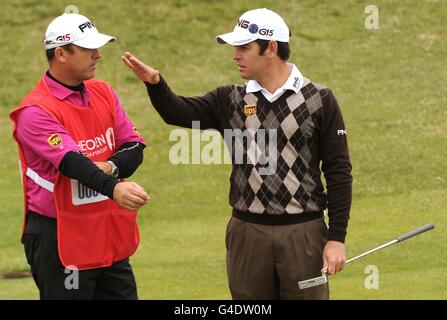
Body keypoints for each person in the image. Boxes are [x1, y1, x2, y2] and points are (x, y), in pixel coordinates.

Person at [122, 8, 352, 299]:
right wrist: (156, 85)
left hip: (303, 232)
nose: (236, 55)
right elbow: (177, 113)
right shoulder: (229, 99)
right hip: (247, 233)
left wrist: (336, 239)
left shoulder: (319, 99)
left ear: (271, 48)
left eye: (244, 47)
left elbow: (338, 171)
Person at [10, 13, 149, 300]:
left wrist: (110, 166)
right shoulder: (35, 111)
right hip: (58, 236)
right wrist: (114, 186)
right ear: (60, 53)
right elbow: (73, 163)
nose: (97, 55)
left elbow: (134, 146)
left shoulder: (103, 92)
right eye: (87, 49)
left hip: (104, 231)